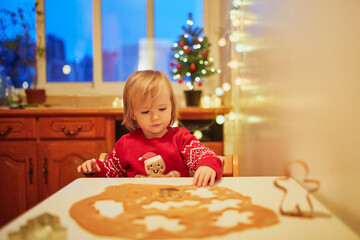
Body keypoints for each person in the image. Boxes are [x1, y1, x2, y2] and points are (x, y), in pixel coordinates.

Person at [77, 70, 222, 187]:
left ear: (171, 105)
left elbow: (205, 156)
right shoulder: (125, 144)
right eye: (146, 112)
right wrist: (96, 169)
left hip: (176, 202)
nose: (155, 117)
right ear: (133, 113)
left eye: (162, 109)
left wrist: (207, 166)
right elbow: (112, 171)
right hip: (137, 206)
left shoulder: (181, 138)